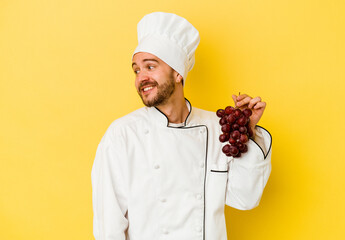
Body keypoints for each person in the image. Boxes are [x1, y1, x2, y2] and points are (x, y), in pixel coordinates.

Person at [91, 12, 272, 240]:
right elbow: (109, 227)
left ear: (178, 72)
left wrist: (248, 132)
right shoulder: (123, 135)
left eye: (150, 67)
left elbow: (246, 198)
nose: (140, 78)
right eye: (136, 70)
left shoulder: (218, 128)